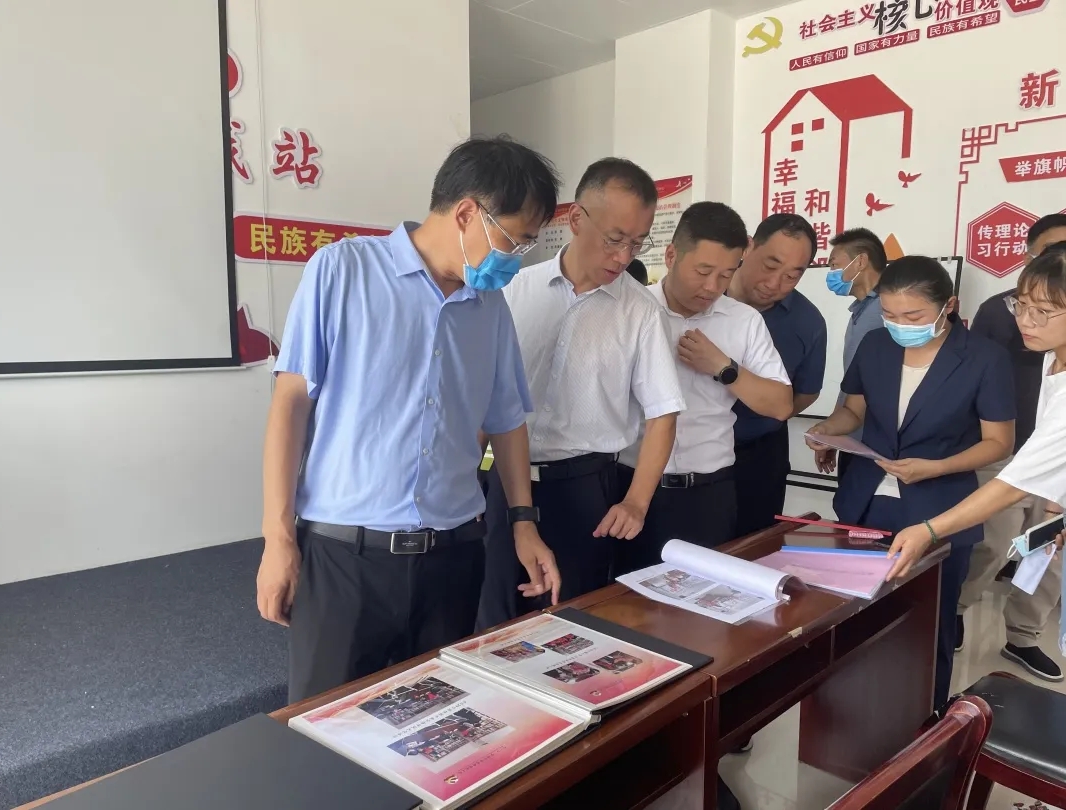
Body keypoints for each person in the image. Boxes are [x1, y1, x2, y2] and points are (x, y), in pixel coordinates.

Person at [258, 136, 563, 703]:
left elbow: (506, 420)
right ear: (468, 213)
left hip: (453, 559)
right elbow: (290, 404)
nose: (517, 256)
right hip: (345, 560)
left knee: (434, 724)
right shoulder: (343, 270)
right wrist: (278, 540)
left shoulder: (489, 308)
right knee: (327, 729)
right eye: (515, 239)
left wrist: (524, 522)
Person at [476, 157, 685, 630]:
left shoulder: (640, 312)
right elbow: (483, 395)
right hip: (503, 483)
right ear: (575, 219)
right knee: (491, 618)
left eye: (637, 243)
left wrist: (636, 502)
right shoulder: (514, 290)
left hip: (583, 489)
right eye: (614, 239)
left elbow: (663, 414)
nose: (624, 256)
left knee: (569, 623)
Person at [806, 255, 1016, 710]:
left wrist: (936, 467)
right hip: (866, 501)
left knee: (927, 624)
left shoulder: (984, 358)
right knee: (855, 617)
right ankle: (851, 715)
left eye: (914, 316)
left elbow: (998, 442)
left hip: (939, 508)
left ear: (949, 306)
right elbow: (853, 410)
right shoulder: (876, 345)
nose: (900, 326)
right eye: (890, 314)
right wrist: (827, 429)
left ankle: (925, 717)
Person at [614, 202, 792, 574]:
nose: (712, 287)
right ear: (671, 255)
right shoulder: (630, 311)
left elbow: (780, 405)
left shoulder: (743, 321)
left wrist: (724, 368)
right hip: (630, 487)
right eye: (703, 271)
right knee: (626, 597)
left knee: (707, 600)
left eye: (726, 275)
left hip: (710, 494)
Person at [955, 217, 1066, 680]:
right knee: (994, 542)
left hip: (1048, 461)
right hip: (1009, 448)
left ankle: (1023, 635)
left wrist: (928, 529)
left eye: (1042, 311)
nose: (1027, 320)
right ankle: (956, 610)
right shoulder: (1033, 336)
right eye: (1024, 307)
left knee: (1048, 553)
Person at [730, 214, 827, 537]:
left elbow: (807, 392)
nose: (774, 284)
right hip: (686, 450)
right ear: (749, 246)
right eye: (770, 266)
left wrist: (768, 414)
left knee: (753, 546)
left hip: (759, 454)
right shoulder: (704, 296)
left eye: (791, 276)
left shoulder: (807, 323)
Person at [824, 228, 888, 481]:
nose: (831, 273)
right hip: (854, 436)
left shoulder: (886, 311)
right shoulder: (861, 311)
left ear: (860, 261)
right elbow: (852, 382)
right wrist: (834, 431)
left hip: (876, 444)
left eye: (834, 264)